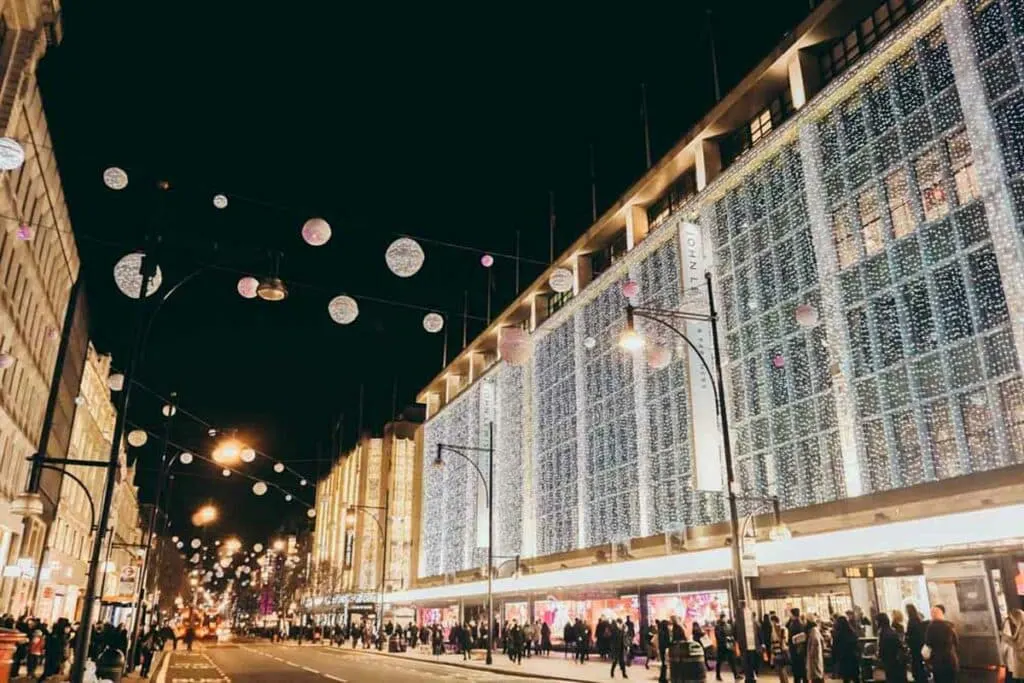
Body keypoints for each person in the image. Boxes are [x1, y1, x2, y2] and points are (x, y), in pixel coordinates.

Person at [924, 604, 959, 683]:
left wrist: (927, 661)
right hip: (951, 660)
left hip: (938, 662)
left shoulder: (931, 627)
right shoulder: (950, 625)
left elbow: (928, 644)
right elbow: (956, 643)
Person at [878, 613, 908, 683]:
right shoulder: (891, 631)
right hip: (897, 660)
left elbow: (882, 648)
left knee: (892, 678)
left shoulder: (883, 633)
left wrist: (880, 656)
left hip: (890, 660)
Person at [832, 616, 859, 683]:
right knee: (855, 678)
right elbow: (856, 645)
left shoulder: (837, 635)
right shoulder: (852, 633)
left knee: (846, 678)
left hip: (843, 659)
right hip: (853, 658)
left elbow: (835, 648)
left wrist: (835, 660)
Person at [906, 604, 927, 683]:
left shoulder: (911, 621)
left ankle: (919, 678)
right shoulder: (917, 619)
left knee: (916, 664)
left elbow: (910, 634)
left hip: (914, 646)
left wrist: (908, 639)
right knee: (919, 664)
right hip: (919, 645)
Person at [715, 613, 738, 681]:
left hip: (728, 645)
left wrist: (731, 639)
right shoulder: (718, 626)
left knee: (732, 660)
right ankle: (718, 675)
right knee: (719, 661)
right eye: (724, 618)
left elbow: (732, 633)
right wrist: (725, 639)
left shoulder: (728, 625)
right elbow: (718, 636)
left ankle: (735, 674)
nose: (725, 619)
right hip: (721, 646)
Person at [1002, 609, 1024, 683]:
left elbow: (1018, 645)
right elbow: (1015, 639)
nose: (1013, 622)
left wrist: (1006, 638)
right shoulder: (1020, 627)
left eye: (1013, 619)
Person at [787, 609, 807, 683]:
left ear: (793, 614)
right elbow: (787, 625)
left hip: (796, 650)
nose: (789, 615)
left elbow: (799, 638)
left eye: (790, 614)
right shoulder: (798, 622)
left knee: (798, 669)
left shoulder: (797, 624)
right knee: (800, 669)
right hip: (797, 650)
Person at [770, 615, 790, 683]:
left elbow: (778, 640)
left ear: (774, 621)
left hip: (779, 650)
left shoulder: (777, 628)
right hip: (783, 650)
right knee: (783, 669)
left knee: (780, 669)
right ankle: (785, 681)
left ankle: (784, 681)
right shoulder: (783, 628)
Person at [805, 618, 825, 683]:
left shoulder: (813, 632)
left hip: (814, 657)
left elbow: (815, 642)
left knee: (816, 675)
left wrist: (811, 654)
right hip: (817, 656)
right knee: (818, 674)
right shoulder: (816, 630)